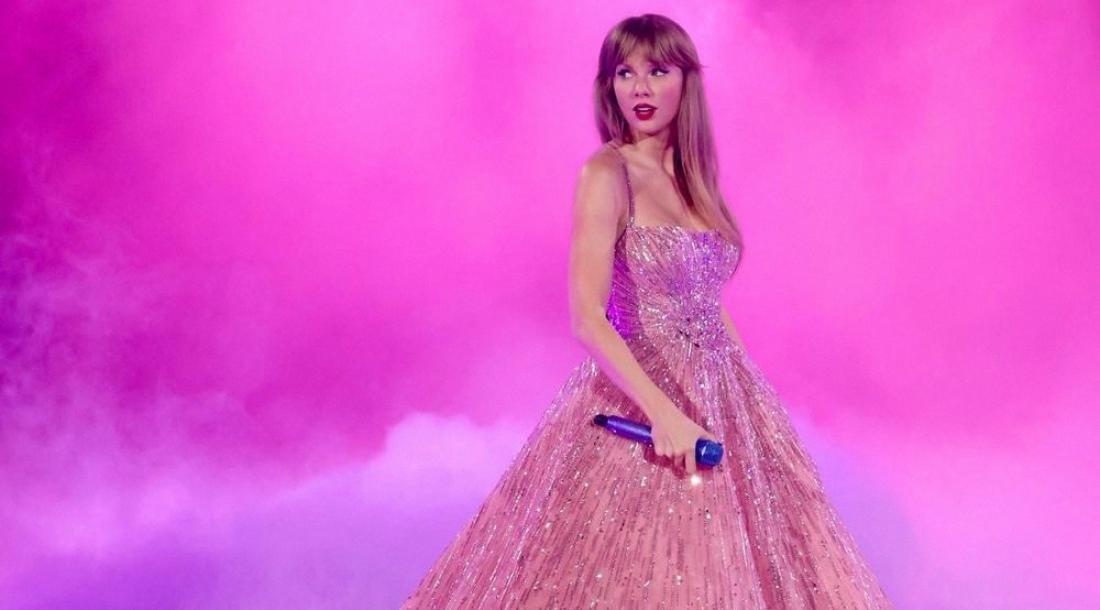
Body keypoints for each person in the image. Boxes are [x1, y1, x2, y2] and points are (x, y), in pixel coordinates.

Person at [400, 13, 893, 609]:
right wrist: (664, 415)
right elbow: (587, 317)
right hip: (640, 397)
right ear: (608, 85)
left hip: (724, 398)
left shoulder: (694, 178)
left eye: (657, 71)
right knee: (637, 572)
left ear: (686, 81)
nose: (639, 87)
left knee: (741, 568)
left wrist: (755, 399)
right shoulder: (605, 174)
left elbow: (705, 301)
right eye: (624, 73)